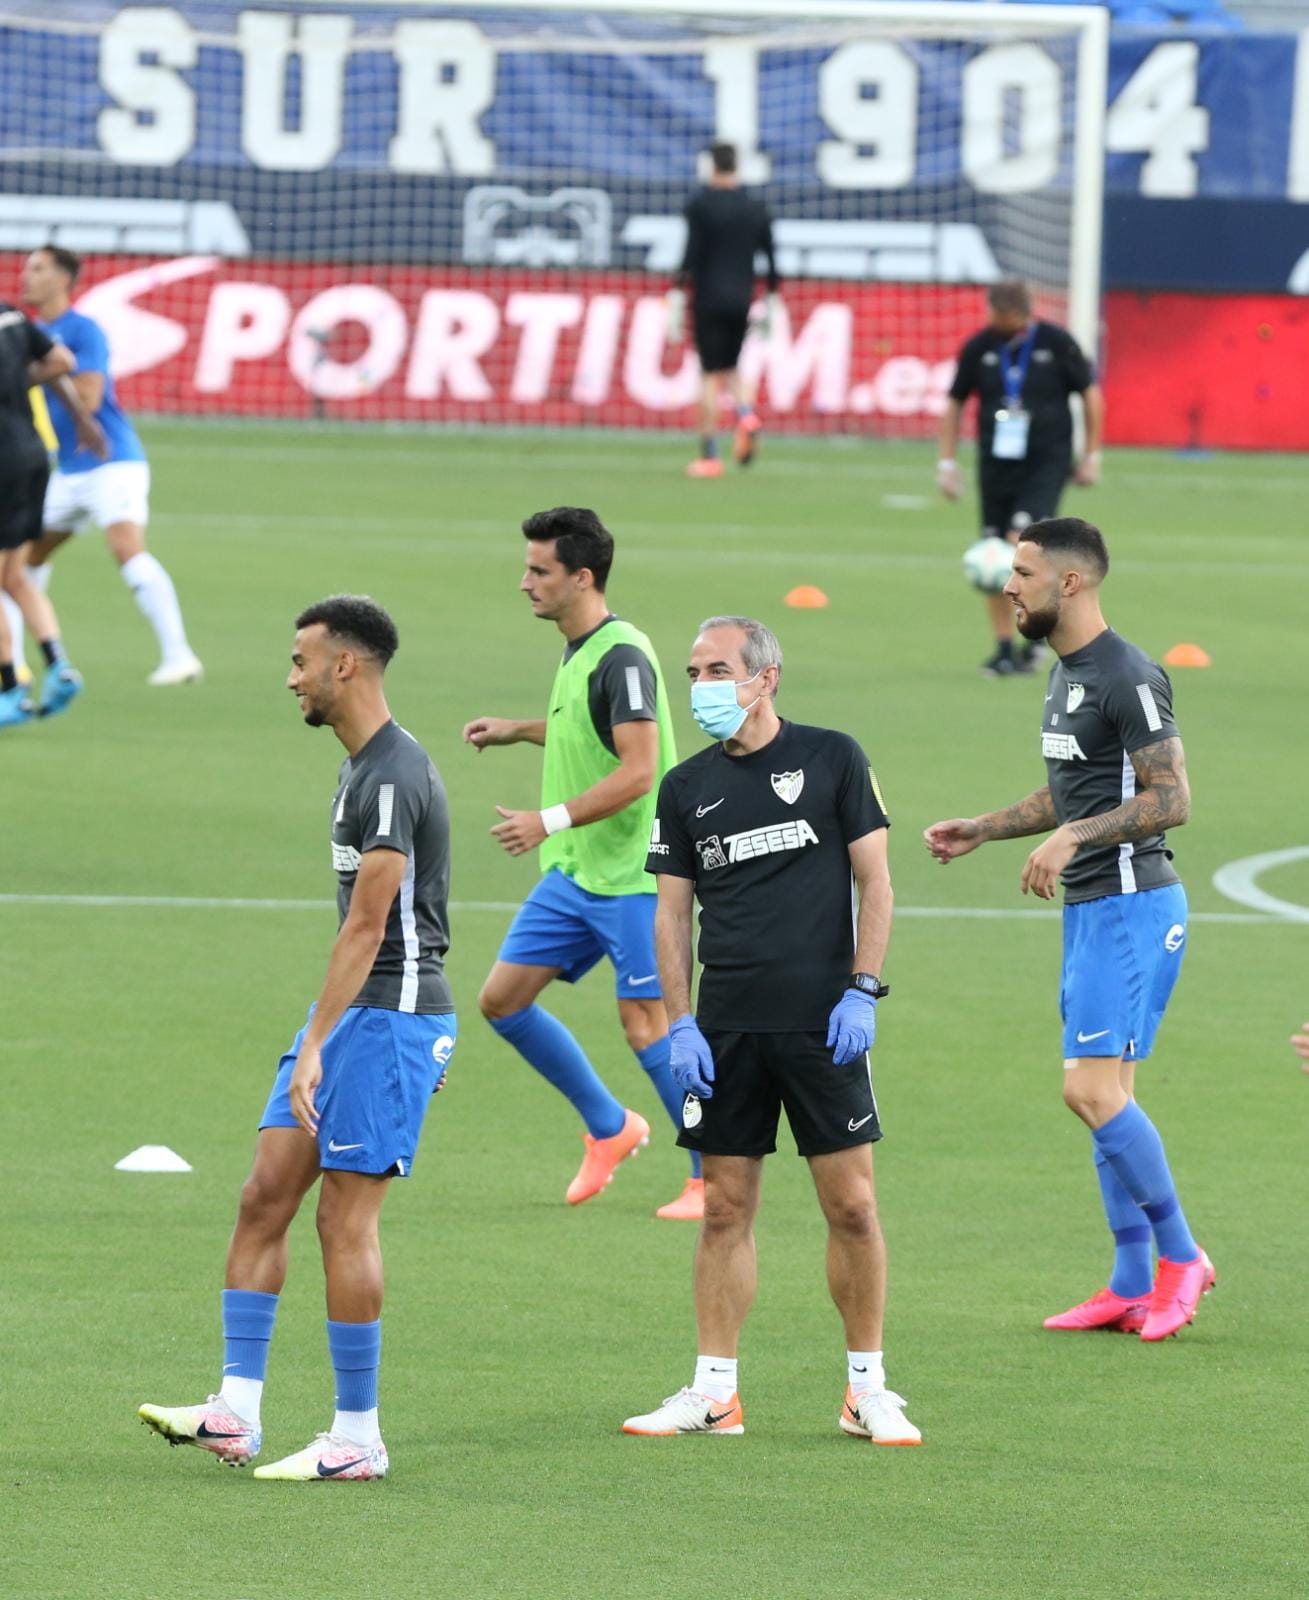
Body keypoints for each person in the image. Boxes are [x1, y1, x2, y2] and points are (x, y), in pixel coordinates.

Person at [139, 595, 456, 1480]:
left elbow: (369, 923)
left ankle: (358, 1438)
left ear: (343, 666)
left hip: (390, 1020)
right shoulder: (358, 769)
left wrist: (316, 1040)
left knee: (341, 1218)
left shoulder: (393, 774)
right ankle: (234, 1413)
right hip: (350, 1018)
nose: (290, 680)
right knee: (263, 1195)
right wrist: (321, 1033)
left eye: (299, 662)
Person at [622, 615, 921, 1445]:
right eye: (692, 672)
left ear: (766, 676)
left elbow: (877, 882)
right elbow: (670, 914)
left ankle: (867, 1390)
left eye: (716, 668)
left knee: (853, 1206)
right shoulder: (683, 788)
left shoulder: (833, 758)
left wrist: (861, 990)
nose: (701, 687)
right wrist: (679, 1022)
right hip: (724, 1031)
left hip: (824, 1025)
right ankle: (714, 1392)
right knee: (723, 1208)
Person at [924, 517, 1213, 1342]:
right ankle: (1128, 1282)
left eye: (1020, 573)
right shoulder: (1062, 672)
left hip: (1130, 903)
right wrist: (986, 825)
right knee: (1106, 1098)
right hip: (1094, 907)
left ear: (1070, 583)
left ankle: (1181, 1257)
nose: (1006, 585)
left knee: (1086, 1090)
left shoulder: (1127, 674)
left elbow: (1171, 799)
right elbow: (1079, 790)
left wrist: (1075, 837)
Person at [464, 508, 701, 1219]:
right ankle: (610, 1126)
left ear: (581, 578)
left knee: (648, 1025)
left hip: (633, 875)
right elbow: (587, 729)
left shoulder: (622, 655)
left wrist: (547, 820)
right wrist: (519, 730)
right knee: (502, 1001)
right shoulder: (580, 648)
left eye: (539, 571)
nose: (524, 583)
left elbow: (640, 770)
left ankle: (711, 1171)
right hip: (576, 873)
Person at [4, 245, 203, 686]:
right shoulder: (30, 331)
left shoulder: (82, 329)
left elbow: (90, 399)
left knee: (126, 549)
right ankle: (14, 666)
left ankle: (179, 655)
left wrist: (32, 373)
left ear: (62, 279)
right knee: (17, 564)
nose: (25, 276)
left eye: (37, 268)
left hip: (112, 461)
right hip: (68, 472)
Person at [937, 280, 1105, 677]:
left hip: (1045, 463)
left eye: (998, 314)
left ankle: (1035, 638)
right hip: (996, 465)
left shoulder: (1057, 342)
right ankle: (1003, 647)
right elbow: (955, 402)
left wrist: (1092, 454)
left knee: (1021, 547)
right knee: (992, 554)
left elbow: (1091, 394)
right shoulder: (981, 346)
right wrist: (946, 462)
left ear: (1018, 313)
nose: (992, 319)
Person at [0, 299, 105, 727]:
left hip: (2, 461)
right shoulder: (13, 316)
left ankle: (11, 689)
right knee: (14, 574)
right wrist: (18, 381)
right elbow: (62, 360)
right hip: (34, 456)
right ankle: (59, 664)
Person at [666, 143, 780, 479]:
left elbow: (692, 252)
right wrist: (772, 295)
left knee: (708, 374)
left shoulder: (701, 205)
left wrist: (676, 290)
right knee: (732, 366)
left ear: (710, 166)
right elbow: (771, 255)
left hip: (708, 297)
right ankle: (746, 415)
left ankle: (709, 456)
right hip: (741, 297)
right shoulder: (754, 206)